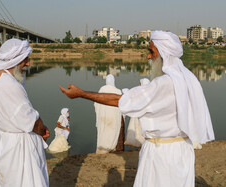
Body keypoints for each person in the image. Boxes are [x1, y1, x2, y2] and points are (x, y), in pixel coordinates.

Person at [59, 30, 215, 187]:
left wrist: (81, 93)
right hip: (182, 150)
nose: (148, 56)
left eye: (151, 51)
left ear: (163, 54)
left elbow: (120, 100)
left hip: (161, 154)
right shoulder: (189, 79)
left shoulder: (163, 83)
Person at [0, 38, 50, 187]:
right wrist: (43, 130)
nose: (28, 63)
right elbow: (31, 120)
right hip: (20, 148)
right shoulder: (9, 85)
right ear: (15, 60)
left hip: (2, 144)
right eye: (25, 59)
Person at [94, 74, 123, 154]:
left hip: (103, 116)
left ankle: (101, 148)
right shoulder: (117, 91)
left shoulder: (102, 89)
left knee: (103, 131)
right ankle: (111, 147)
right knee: (112, 131)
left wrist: (99, 112)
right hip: (113, 116)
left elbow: (96, 103)